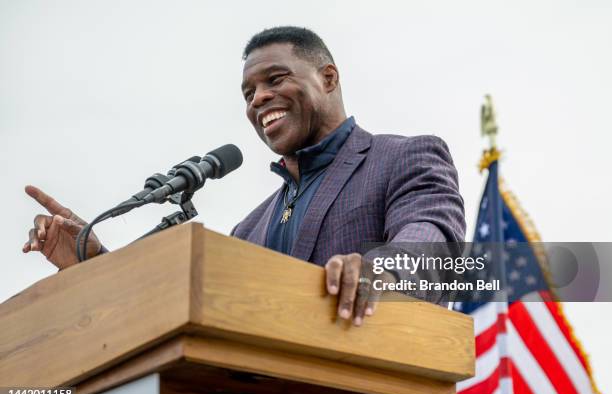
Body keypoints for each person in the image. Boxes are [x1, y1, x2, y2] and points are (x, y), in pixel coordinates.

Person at [23, 26, 465, 327]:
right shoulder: (248, 229)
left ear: (328, 77)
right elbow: (178, 311)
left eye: (275, 79)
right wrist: (95, 265)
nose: (259, 99)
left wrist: (381, 271)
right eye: (249, 92)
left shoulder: (402, 157)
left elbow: (434, 241)